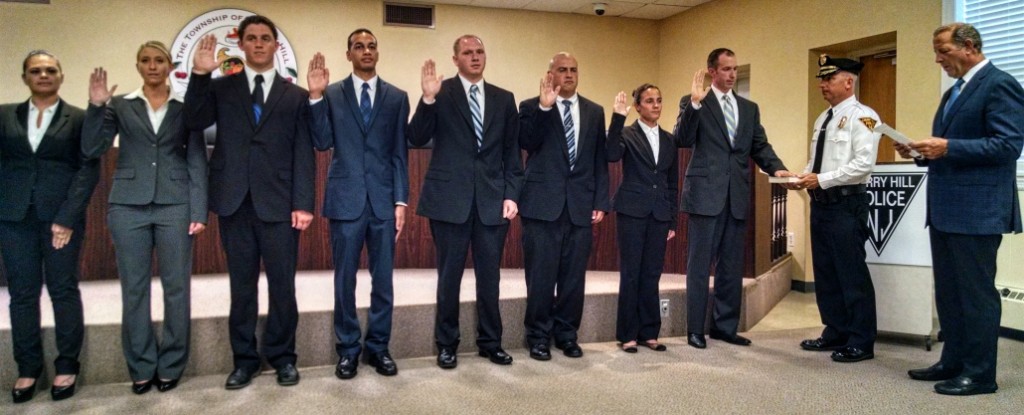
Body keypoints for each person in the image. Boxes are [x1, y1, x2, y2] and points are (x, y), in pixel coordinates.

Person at [184, 15, 315, 389]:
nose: (259, 44)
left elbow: (303, 152)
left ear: (276, 45)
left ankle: (283, 357)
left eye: (265, 38)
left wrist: (303, 202)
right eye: (252, 39)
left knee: (282, 287)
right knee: (242, 288)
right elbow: (194, 119)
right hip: (234, 202)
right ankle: (244, 360)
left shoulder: (296, 96)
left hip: (279, 204)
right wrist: (199, 75)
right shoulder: (222, 89)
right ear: (241, 45)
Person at [895, 23, 1023, 396]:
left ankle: (981, 374)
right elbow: (951, 146)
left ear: (968, 46)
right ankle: (953, 361)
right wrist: (921, 152)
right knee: (950, 293)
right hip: (947, 208)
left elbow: (1007, 145)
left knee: (975, 295)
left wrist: (947, 147)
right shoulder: (955, 92)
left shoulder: (1000, 84)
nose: (937, 59)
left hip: (978, 210)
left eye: (943, 51)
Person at [81, 41, 208, 394]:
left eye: (159, 60)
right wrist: (96, 106)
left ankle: (170, 364)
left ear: (170, 66)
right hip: (128, 206)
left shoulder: (185, 108)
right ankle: (140, 364)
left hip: (175, 204)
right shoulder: (120, 105)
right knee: (134, 289)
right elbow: (93, 148)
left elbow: (197, 159)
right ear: (138, 66)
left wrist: (198, 209)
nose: (152, 66)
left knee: (176, 288)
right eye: (145, 61)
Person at [408, 35, 523, 369]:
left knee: (491, 278)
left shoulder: (504, 99)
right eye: (467, 53)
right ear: (455, 59)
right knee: (449, 277)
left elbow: (512, 154)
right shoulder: (441, 94)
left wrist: (511, 193)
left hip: (491, 202)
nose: (475, 57)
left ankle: (491, 342)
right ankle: (447, 344)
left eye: (480, 51)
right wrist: (427, 99)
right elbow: (415, 137)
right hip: (449, 201)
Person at [673, 48, 793, 349]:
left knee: (731, 266)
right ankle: (695, 329)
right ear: (712, 71)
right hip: (705, 196)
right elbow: (682, 139)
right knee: (699, 265)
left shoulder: (749, 109)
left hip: (736, 196)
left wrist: (779, 170)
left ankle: (724, 327)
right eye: (726, 69)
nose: (731, 74)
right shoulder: (694, 101)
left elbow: (760, 146)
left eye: (735, 69)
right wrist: (695, 105)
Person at [307, 28, 409, 379]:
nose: (366, 50)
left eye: (371, 46)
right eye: (358, 46)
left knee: (383, 281)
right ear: (348, 53)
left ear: (377, 53)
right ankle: (348, 349)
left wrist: (400, 201)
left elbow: (399, 154)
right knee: (344, 279)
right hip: (346, 200)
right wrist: (316, 96)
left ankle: (379, 348)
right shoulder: (333, 95)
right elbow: (321, 142)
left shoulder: (397, 97)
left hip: (382, 202)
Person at [1, 50, 100, 403]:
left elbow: (88, 169)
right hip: (14, 219)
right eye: (35, 70)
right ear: (25, 77)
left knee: (63, 289)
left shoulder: (78, 118)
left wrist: (67, 217)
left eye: (50, 70)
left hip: (62, 220)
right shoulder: (4, 115)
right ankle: (28, 368)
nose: (43, 75)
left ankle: (66, 365)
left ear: (60, 76)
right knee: (22, 294)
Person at [517, 52, 609, 360]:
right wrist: (545, 107)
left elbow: (599, 161)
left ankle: (567, 334)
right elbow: (527, 142)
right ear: (550, 74)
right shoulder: (531, 106)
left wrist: (600, 201)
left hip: (580, 205)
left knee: (573, 278)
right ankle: (538, 336)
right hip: (541, 206)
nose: (568, 75)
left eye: (573, 69)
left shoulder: (594, 111)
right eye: (562, 70)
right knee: (541, 277)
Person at [793, 55, 880, 363]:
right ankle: (835, 331)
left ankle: (861, 340)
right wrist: (803, 177)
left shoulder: (865, 117)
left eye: (828, 79)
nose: (822, 85)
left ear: (848, 82)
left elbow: (863, 165)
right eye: (822, 79)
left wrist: (822, 179)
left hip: (847, 204)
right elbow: (817, 160)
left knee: (851, 273)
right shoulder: (823, 118)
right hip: (822, 204)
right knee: (827, 272)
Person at [607, 85, 678, 353]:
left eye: (659, 100)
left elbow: (672, 183)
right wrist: (616, 118)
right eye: (649, 101)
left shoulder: (669, 139)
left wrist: (672, 219)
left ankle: (650, 332)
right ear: (638, 106)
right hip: (632, 211)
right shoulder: (627, 133)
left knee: (652, 274)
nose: (656, 105)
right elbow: (611, 154)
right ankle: (627, 335)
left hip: (659, 214)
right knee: (631, 273)